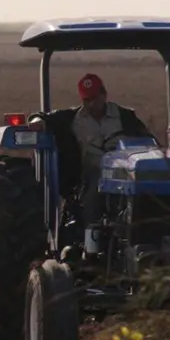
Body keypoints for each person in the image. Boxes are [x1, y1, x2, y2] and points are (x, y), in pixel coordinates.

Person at [27, 73, 153, 228]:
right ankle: (90, 234)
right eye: (87, 100)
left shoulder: (124, 116)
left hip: (125, 172)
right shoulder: (72, 119)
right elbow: (42, 117)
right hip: (90, 174)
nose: (92, 104)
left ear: (104, 94)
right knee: (95, 186)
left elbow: (149, 142)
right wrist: (37, 121)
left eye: (95, 98)